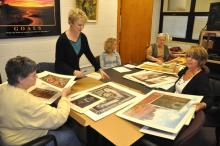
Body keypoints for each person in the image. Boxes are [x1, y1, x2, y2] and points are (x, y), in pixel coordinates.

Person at [0, 56, 81, 146]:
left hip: (7, 134)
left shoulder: (2, 87)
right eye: (33, 75)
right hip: (25, 141)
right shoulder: (26, 101)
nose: (37, 76)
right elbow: (59, 118)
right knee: (69, 135)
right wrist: (64, 96)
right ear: (20, 79)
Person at [55, 8, 109, 79]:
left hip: (77, 74)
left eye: (83, 25)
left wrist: (99, 68)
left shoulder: (83, 37)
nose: (82, 28)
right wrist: (73, 72)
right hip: (64, 75)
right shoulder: (62, 40)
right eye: (79, 25)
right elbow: (59, 63)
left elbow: (89, 54)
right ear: (71, 23)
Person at [174, 46, 212, 112]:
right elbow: (180, 73)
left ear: (201, 61)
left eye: (194, 58)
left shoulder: (201, 78)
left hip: (183, 108)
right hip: (174, 101)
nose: (189, 59)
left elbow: (209, 98)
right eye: (188, 56)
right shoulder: (186, 69)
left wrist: (202, 105)